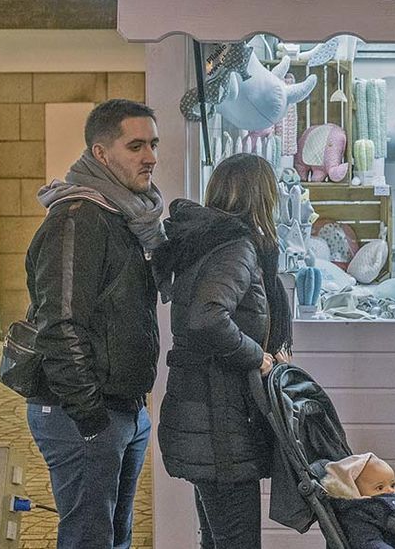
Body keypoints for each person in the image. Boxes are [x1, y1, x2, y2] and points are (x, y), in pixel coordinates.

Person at [26, 99, 164, 549]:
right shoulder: (78, 219)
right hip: (81, 413)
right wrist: (91, 419)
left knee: (112, 538)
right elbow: (59, 325)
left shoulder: (122, 216)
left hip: (122, 408)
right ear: (101, 154)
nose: (151, 157)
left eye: (153, 144)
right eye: (136, 145)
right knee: (90, 539)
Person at [152, 154, 293, 549]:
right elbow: (207, 317)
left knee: (218, 539)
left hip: (210, 413)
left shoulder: (206, 243)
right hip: (219, 420)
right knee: (235, 541)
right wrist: (256, 356)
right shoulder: (237, 247)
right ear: (261, 197)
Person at [318, 452, 395, 549]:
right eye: (380, 488)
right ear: (355, 491)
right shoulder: (358, 514)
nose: (390, 491)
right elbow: (368, 542)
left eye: (392, 485)